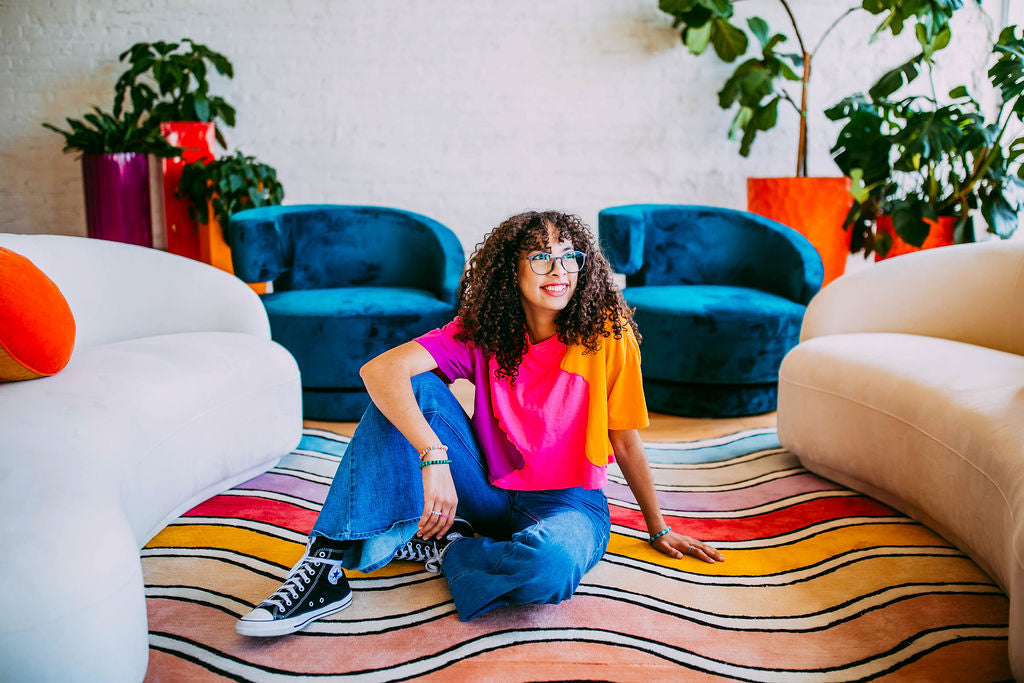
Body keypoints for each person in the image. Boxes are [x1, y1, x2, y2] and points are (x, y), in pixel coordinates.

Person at [236, 210, 724, 637]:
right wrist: (434, 455)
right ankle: (325, 563)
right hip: (484, 485)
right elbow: (379, 371)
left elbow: (626, 440)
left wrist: (658, 528)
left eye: (569, 255)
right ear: (510, 271)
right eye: (540, 256)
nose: (559, 270)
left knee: (548, 567)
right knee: (413, 389)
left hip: (569, 503)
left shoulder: (606, 333)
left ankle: (449, 550)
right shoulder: (485, 329)